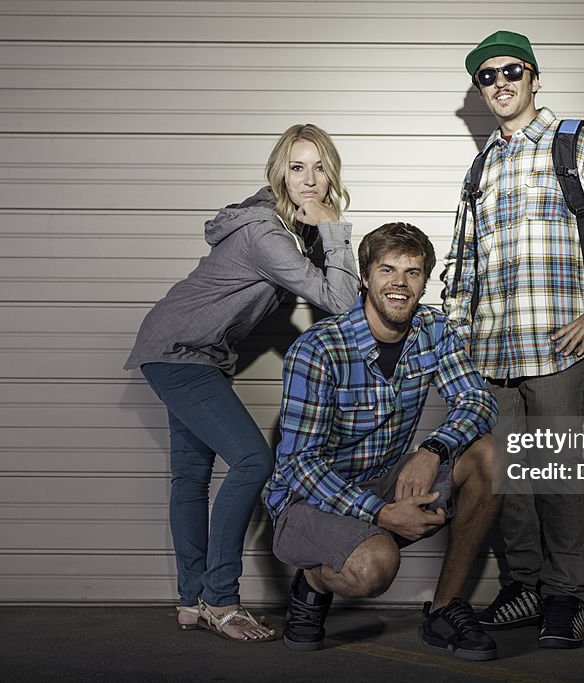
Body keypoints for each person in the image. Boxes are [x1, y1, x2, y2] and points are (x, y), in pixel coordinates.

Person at [441, 31, 584, 649]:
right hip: (491, 353)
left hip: (558, 349)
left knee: (556, 475)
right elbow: (462, 264)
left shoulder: (575, 143)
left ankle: (565, 596)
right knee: (503, 481)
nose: (500, 83)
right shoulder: (481, 167)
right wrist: (458, 338)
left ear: (533, 77)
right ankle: (524, 587)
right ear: (480, 90)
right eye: (487, 77)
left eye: (512, 71)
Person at [124, 123, 360, 641]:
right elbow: (341, 302)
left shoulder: (284, 229)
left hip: (187, 352)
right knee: (254, 460)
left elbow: (325, 308)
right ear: (280, 172)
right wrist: (336, 228)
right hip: (180, 354)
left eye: (319, 168)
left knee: (190, 475)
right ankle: (222, 599)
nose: (310, 180)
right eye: (297, 167)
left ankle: (192, 602)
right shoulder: (266, 233)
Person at [264, 222, 502, 660]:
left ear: (424, 281)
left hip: (383, 480)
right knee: (377, 566)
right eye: (387, 269)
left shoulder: (434, 330)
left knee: (488, 453)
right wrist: (381, 513)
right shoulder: (319, 349)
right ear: (366, 277)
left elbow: (478, 402)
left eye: (412, 272)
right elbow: (299, 464)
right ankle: (312, 584)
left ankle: (445, 609)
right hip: (307, 503)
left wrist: (433, 450)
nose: (399, 282)